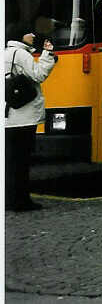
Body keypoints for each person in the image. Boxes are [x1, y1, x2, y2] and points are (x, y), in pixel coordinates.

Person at [5, 32, 56, 211]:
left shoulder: (5, 53)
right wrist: (47, 55)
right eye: (28, 32)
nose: (33, 35)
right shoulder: (21, 54)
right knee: (22, 162)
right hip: (23, 117)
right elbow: (38, 75)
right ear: (20, 34)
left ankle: (10, 199)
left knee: (11, 162)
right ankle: (21, 201)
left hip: (9, 117)